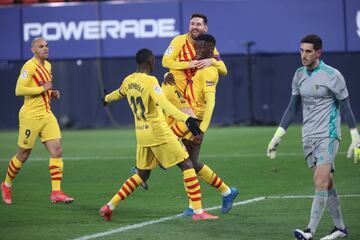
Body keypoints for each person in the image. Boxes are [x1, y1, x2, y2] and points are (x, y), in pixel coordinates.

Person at [99, 48, 218, 221]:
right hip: (158, 132)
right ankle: (199, 212)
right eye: (154, 60)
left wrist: (105, 99)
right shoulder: (150, 81)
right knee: (187, 164)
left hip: (141, 135)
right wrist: (187, 119)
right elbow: (164, 104)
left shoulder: (128, 80)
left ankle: (109, 206)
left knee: (141, 174)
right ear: (150, 61)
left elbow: (118, 94)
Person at [266, 34, 360, 240]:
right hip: (307, 137)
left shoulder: (333, 75)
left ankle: (309, 231)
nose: (303, 55)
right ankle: (340, 228)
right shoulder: (299, 75)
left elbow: (346, 106)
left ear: (318, 52)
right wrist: (277, 136)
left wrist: (355, 137)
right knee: (326, 182)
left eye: (308, 51)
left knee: (320, 179)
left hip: (329, 135)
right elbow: (292, 108)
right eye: (301, 50)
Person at [163, 34, 238, 216]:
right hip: (191, 119)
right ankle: (224, 193)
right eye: (195, 47)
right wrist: (169, 75)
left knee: (168, 141)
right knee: (191, 163)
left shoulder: (209, 71)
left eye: (200, 48)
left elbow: (211, 102)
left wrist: (201, 130)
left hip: (195, 122)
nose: (196, 51)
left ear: (210, 49)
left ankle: (146, 164)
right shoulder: (201, 66)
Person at [1, 37, 74, 205]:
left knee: (57, 151)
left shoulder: (48, 65)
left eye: (47, 46)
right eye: (41, 46)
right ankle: (6, 185)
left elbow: (44, 88)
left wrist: (51, 93)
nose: (45, 48)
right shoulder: (28, 66)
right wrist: (43, 89)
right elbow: (19, 90)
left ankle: (56, 192)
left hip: (47, 114)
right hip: (30, 116)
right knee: (23, 154)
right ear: (33, 50)